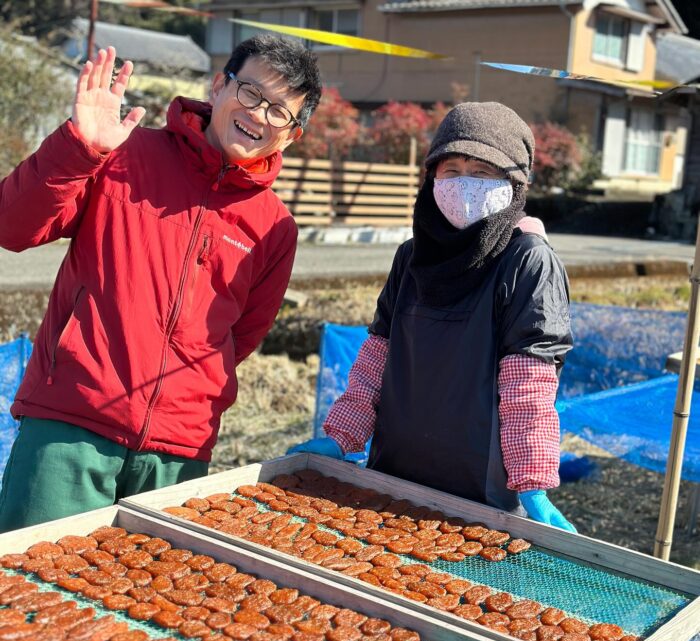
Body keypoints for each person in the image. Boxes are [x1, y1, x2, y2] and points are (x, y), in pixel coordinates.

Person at [0, 35, 322, 531]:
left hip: (178, 453)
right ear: (218, 87)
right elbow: (13, 226)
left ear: (291, 135)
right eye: (252, 93)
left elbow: (242, 335)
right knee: (28, 595)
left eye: (280, 110)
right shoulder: (123, 156)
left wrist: (188, 394)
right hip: (70, 425)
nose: (259, 115)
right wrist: (77, 146)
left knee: (150, 604)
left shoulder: (274, 226)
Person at [290, 102, 576, 532]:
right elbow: (375, 361)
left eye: (482, 173)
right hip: (392, 474)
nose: (465, 185)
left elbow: (529, 385)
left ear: (515, 183)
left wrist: (532, 482)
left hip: (480, 489)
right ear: (432, 177)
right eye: (452, 170)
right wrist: (342, 435)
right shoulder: (411, 257)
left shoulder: (527, 261)